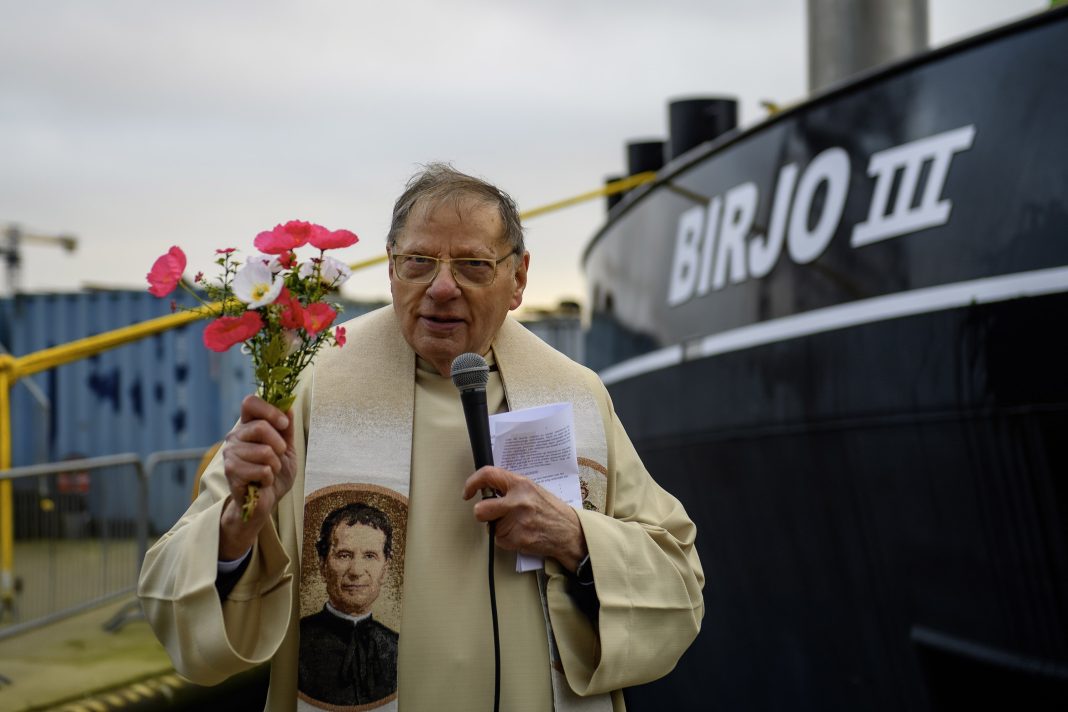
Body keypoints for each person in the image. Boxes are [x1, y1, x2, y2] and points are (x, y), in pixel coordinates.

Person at [138, 163, 704, 711]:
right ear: (390, 268)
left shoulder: (575, 394)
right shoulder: (315, 387)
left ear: (519, 278)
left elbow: (678, 581)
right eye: (418, 262)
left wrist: (575, 538)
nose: (441, 288)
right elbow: (172, 591)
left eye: (473, 265)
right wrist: (238, 530)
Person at [298, 502, 398, 707]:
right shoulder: (295, 641)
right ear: (323, 565)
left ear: (385, 568)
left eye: (370, 556)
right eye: (344, 555)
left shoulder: (397, 646)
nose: (356, 571)